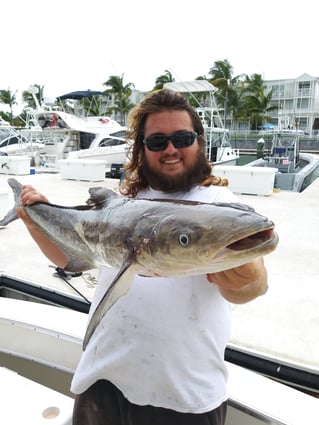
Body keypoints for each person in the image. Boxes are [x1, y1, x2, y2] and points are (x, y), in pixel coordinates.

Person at [17, 89, 268, 425]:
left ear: (199, 141)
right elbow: (73, 259)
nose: (171, 149)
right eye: (157, 141)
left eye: (182, 137)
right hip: (101, 379)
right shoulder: (123, 199)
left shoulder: (219, 202)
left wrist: (247, 277)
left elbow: (251, 287)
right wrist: (34, 217)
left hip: (183, 396)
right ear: (141, 148)